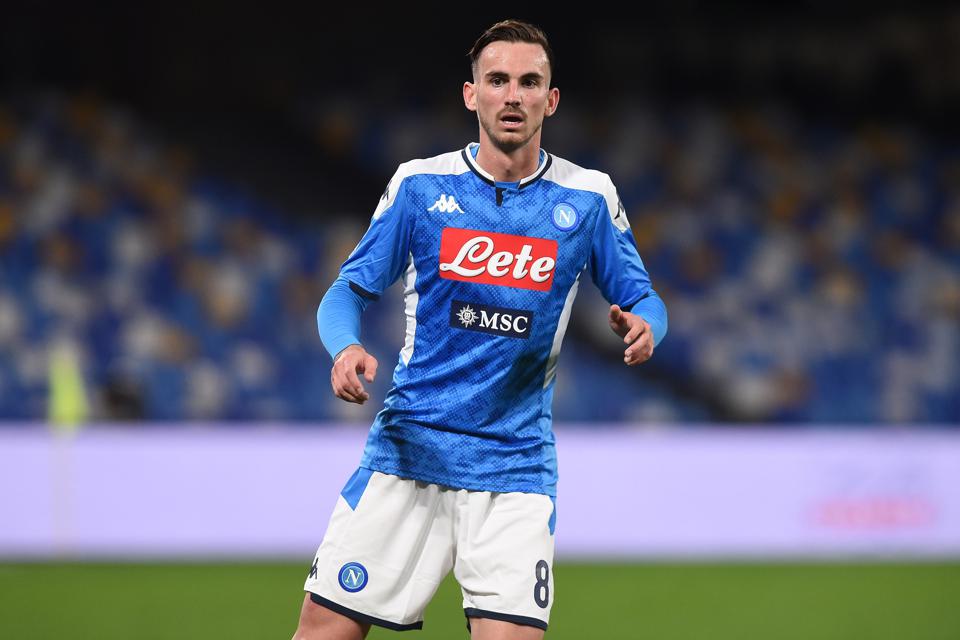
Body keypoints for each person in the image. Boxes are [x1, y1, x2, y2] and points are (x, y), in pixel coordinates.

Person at [292, 19, 667, 640]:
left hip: (514, 469)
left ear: (551, 99)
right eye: (497, 80)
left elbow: (644, 297)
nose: (512, 95)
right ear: (472, 94)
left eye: (529, 82)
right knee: (323, 633)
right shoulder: (420, 186)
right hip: (410, 451)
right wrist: (345, 347)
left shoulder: (589, 196)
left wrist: (646, 326)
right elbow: (346, 291)